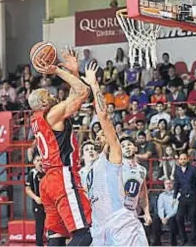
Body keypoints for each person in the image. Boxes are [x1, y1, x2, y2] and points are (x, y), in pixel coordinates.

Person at [28, 47, 92, 246]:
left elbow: (74, 96)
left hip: (49, 181)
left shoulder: (40, 118)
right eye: (48, 93)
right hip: (62, 176)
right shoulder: (52, 113)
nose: (53, 94)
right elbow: (83, 92)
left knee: (57, 235)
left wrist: (74, 71)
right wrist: (56, 70)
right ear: (44, 101)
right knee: (83, 235)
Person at [81, 62, 149, 246]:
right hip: (100, 227)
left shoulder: (114, 155)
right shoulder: (92, 166)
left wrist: (94, 85)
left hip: (122, 226)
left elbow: (103, 116)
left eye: (103, 132)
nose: (99, 133)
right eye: (98, 132)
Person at [173, 153, 196, 245]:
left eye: (184, 159)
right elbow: (176, 184)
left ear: (187, 159)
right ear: (178, 160)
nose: (182, 160)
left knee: (192, 218)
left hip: (193, 197)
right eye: (181, 159)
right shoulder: (177, 170)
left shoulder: (193, 169)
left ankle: (193, 240)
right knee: (179, 217)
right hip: (182, 197)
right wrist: (174, 197)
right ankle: (183, 238)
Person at [25, 151, 46, 246]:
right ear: (34, 162)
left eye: (41, 160)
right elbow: (27, 189)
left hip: (49, 204)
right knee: (39, 226)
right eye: (37, 160)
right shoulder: (32, 173)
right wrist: (36, 198)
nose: (40, 162)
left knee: (52, 226)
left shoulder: (48, 172)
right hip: (38, 203)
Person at [152, 179, 178, 246]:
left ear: (173, 184)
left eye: (170, 183)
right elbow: (160, 208)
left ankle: (173, 243)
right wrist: (162, 217)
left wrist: (167, 217)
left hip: (172, 215)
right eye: (167, 183)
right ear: (164, 185)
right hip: (163, 216)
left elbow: (175, 209)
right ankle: (157, 242)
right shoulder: (161, 195)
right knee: (155, 219)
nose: (168, 185)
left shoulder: (177, 195)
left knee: (173, 220)